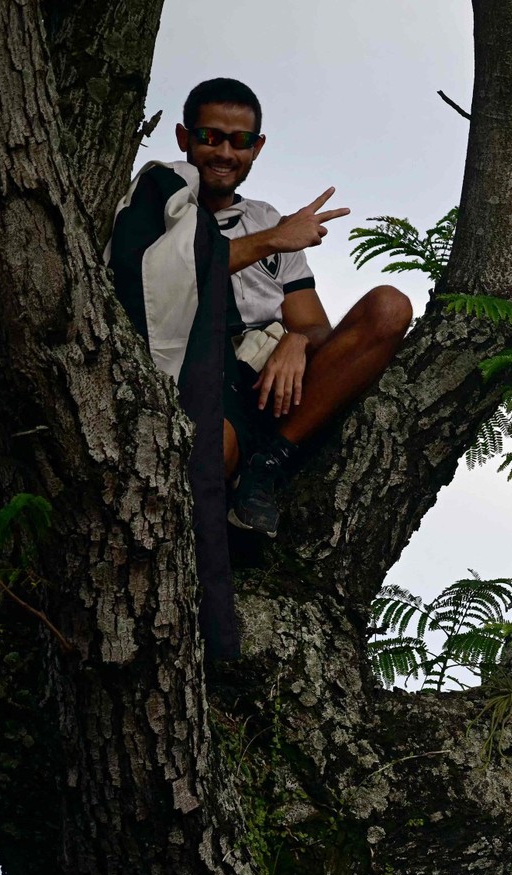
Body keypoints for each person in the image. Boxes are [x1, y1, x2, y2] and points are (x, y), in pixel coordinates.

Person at [114, 77, 412, 540]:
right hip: (201, 376)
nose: (225, 154)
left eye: (241, 141)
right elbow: (161, 277)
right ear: (183, 137)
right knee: (210, 451)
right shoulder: (162, 201)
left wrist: (296, 341)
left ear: (258, 147)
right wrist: (275, 239)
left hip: (277, 380)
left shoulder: (266, 218)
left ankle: (269, 463)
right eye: (210, 137)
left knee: (390, 308)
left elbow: (313, 325)